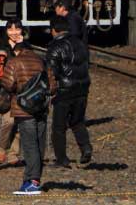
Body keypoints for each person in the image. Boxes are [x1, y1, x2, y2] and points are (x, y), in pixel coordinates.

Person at [0, 38, 47, 196]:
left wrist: (20, 89)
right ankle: (32, 179)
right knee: (40, 143)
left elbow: (8, 84)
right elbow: (52, 86)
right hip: (41, 108)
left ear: (17, 50)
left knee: (29, 144)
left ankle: (33, 182)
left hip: (23, 109)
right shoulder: (42, 61)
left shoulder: (14, 62)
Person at [46, 15, 92, 168]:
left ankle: (62, 159)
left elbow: (52, 72)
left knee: (58, 127)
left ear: (53, 30)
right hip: (82, 88)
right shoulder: (80, 43)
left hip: (64, 90)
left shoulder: (55, 46)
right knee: (77, 121)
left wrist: (50, 91)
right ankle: (86, 148)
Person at [0, 19, 25, 166]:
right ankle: (2, 147)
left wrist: (21, 45)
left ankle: (13, 154)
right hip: (6, 89)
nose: (14, 32)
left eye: (17, 29)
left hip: (22, 89)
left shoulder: (26, 46)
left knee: (19, 122)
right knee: (9, 121)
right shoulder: (1, 46)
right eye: (11, 29)